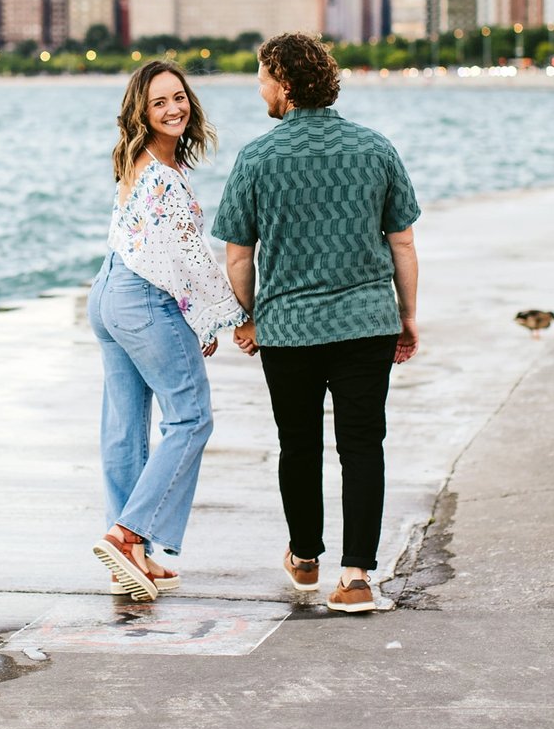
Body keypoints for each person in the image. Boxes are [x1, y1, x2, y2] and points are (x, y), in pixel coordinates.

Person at [212, 32, 420, 614]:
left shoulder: (258, 157)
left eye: (261, 79)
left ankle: (305, 558)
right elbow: (402, 241)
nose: (260, 90)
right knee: (362, 446)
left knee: (298, 444)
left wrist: (248, 317)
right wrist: (405, 317)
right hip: (366, 322)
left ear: (284, 83)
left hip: (289, 328)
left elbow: (237, 255)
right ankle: (355, 578)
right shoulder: (375, 148)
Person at [89, 60, 246, 602]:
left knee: (125, 427)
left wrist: (196, 314)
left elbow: (157, 251)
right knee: (190, 419)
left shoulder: (136, 160)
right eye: (159, 103)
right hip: (142, 298)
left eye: (179, 97)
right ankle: (128, 533)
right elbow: (191, 263)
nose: (174, 108)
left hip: (109, 293)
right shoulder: (163, 175)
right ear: (142, 112)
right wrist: (231, 317)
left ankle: (131, 560)